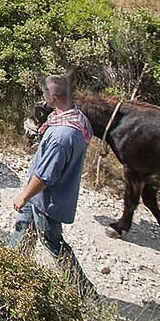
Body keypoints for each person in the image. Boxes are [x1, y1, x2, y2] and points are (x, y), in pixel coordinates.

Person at [11, 75, 96, 297]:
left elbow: (46, 176)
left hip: (48, 199)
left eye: (45, 95)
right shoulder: (77, 119)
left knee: (53, 243)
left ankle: (86, 293)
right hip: (40, 197)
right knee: (23, 228)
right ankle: (10, 268)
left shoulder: (61, 135)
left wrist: (24, 196)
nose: (43, 98)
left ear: (54, 98)